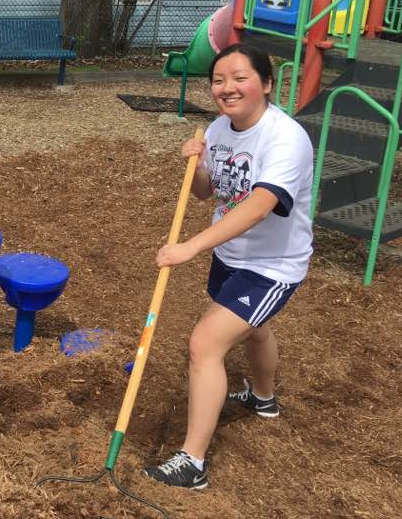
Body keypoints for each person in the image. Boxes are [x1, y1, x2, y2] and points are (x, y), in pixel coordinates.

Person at [143, 44, 313, 490]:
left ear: (267, 84)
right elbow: (207, 194)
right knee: (254, 328)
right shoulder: (219, 127)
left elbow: (259, 206)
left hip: (273, 265)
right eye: (218, 80)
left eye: (239, 78)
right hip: (232, 256)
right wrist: (197, 165)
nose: (226, 88)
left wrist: (190, 247)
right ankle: (262, 398)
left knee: (204, 345)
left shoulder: (286, 138)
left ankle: (192, 462)